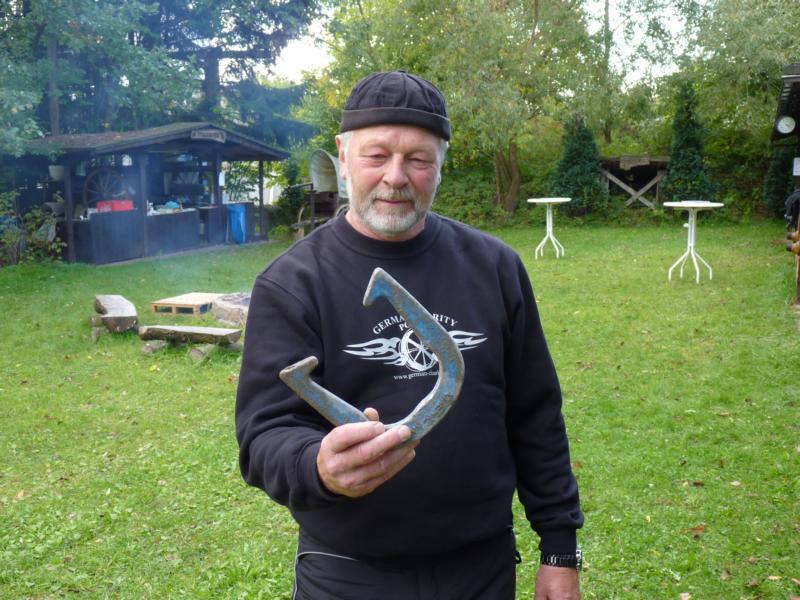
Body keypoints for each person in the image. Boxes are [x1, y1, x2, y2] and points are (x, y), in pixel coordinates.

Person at [236, 70, 584, 600]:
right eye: (377, 155)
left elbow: (536, 415)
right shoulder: (292, 283)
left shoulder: (494, 268)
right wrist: (317, 466)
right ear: (344, 156)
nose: (396, 177)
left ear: (441, 163)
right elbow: (264, 433)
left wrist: (559, 549)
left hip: (481, 567)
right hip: (346, 574)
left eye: (418, 159)